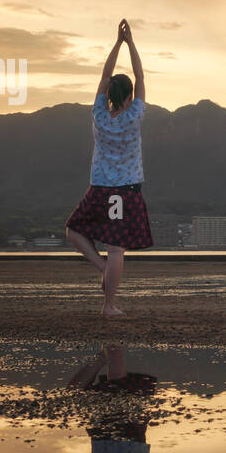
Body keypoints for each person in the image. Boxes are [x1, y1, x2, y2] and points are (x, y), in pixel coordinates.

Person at [64, 19, 152, 318]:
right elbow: (140, 75)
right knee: (116, 251)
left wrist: (116, 43)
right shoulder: (135, 116)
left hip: (100, 189)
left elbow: (104, 76)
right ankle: (108, 304)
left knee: (73, 230)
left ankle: (104, 275)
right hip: (126, 191)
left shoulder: (100, 116)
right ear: (130, 96)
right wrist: (130, 43)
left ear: (109, 95)